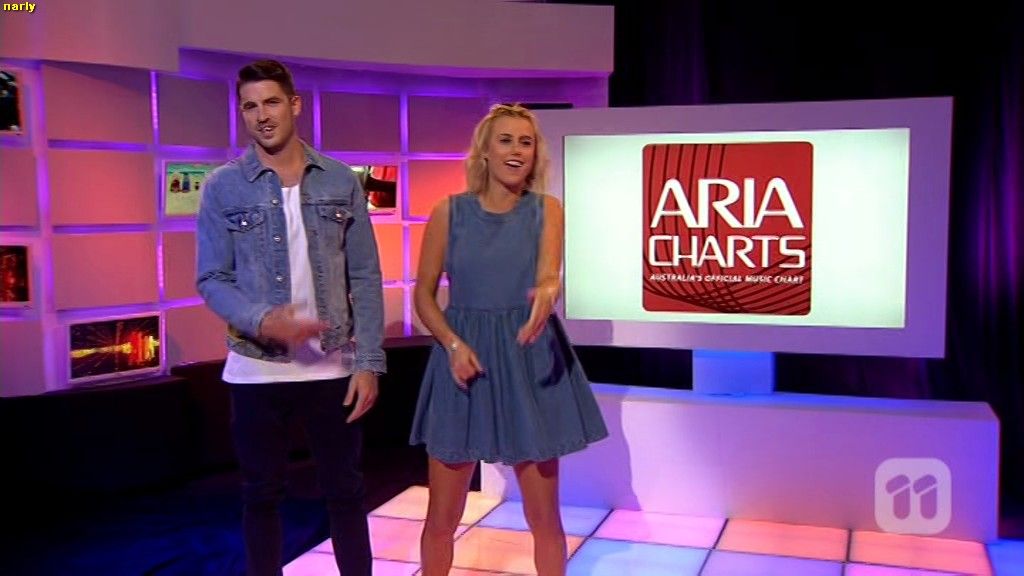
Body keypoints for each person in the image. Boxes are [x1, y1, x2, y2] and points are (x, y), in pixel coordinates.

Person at [196, 60, 385, 576]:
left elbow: (365, 276)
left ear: (295, 105)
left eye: (272, 102)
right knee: (261, 496)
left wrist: (369, 362)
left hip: (331, 366)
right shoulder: (222, 186)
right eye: (250, 106)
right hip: (256, 369)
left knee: (346, 492)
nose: (262, 115)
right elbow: (212, 277)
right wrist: (262, 320)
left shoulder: (341, 180)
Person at [409, 104, 608, 576]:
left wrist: (548, 293)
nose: (517, 150)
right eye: (506, 140)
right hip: (463, 359)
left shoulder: (547, 210)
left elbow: (548, 275)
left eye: (526, 141)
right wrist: (453, 345)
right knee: (441, 518)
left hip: (527, 358)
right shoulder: (448, 212)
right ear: (484, 150)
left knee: (545, 519)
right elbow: (423, 295)